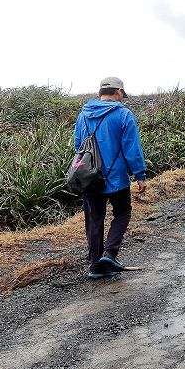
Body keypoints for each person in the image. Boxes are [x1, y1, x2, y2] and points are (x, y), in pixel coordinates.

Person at [73, 76, 148, 280]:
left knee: (94, 221)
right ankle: (110, 253)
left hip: (90, 178)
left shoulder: (84, 115)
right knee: (122, 213)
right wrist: (140, 175)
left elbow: (78, 144)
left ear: (100, 93)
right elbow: (132, 148)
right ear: (119, 92)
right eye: (122, 94)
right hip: (116, 178)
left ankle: (95, 266)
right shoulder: (123, 114)